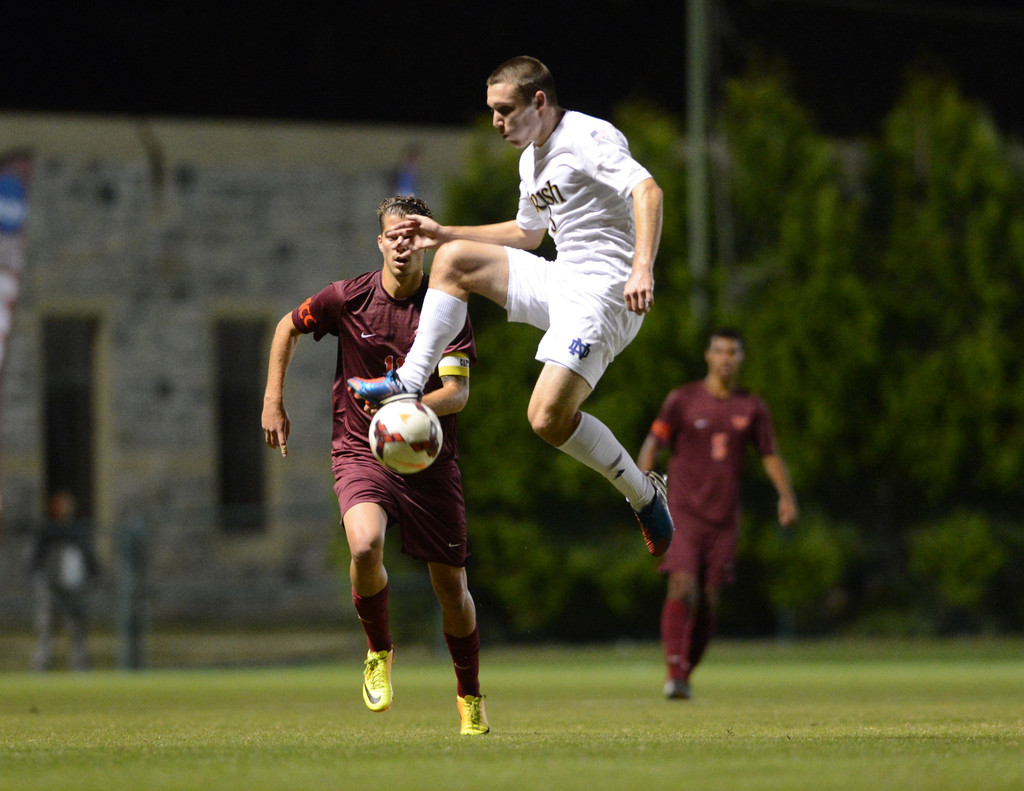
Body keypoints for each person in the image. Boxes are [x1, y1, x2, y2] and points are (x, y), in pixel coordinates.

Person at [347, 56, 673, 557]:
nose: (497, 122)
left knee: (546, 418)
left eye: (505, 110)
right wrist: (444, 233)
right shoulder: (530, 160)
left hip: (607, 295)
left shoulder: (587, 137)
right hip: (562, 278)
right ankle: (408, 382)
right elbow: (527, 233)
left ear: (539, 101)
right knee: (454, 260)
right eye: (492, 111)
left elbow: (648, 191)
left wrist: (642, 268)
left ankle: (645, 495)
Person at [261, 195, 489, 736]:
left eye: (413, 236)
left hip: (430, 461)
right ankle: (378, 650)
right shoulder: (348, 298)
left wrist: (403, 410)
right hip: (362, 450)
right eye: (394, 236)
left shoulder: (447, 307)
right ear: (380, 242)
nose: (403, 245)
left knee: (451, 589)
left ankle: (470, 695)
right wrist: (273, 399)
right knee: (364, 545)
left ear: (425, 243)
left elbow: (456, 394)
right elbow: (287, 326)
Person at [637, 327, 798, 700]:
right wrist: (644, 493)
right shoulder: (683, 400)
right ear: (708, 355)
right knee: (682, 585)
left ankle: (685, 673)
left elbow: (769, 454)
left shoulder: (751, 407)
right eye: (720, 351)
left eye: (733, 352)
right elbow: (652, 445)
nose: (726, 358)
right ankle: (674, 673)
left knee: (709, 599)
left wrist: (786, 496)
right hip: (683, 512)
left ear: (741, 359)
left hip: (724, 518)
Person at [29, 489, 99, 671]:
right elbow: (36, 560)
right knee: (46, 628)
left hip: (75, 587)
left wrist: (91, 578)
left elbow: (89, 558)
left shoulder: (78, 530)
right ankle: (41, 668)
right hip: (51, 587)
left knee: (77, 629)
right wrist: (40, 581)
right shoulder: (47, 530)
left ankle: (80, 668)